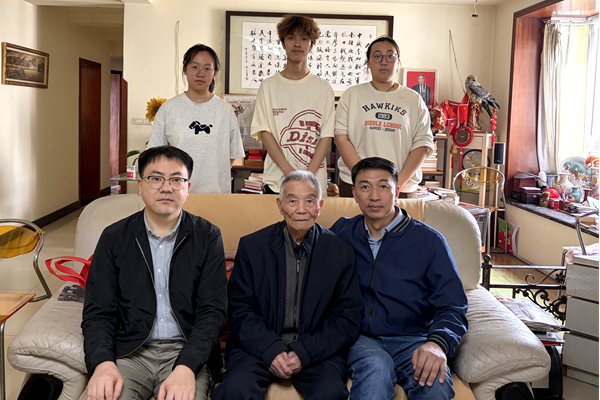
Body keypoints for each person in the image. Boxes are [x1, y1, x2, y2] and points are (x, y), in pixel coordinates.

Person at [82, 146, 228, 400]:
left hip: (185, 353)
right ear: (140, 185)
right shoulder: (114, 237)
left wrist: (187, 367)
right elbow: (98, 312)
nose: (166, 188)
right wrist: (103, 363)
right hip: (130, 353)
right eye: (156, 178)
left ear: (188, 187)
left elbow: (212, 312)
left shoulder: (207, 236)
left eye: (176, 180)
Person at [211, 171, 363, 400]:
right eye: (292, 201)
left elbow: (346, 318)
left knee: (330, 392)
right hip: (257, 347)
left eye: (309, 201)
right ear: (280, 205)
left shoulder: (340, 252)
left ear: (320, 206)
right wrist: (271, 351)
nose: (301, 209)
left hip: (316, 351)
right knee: (235, 389)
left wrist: (303, 353)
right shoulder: (252, 247)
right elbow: (239, 310)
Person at [330, 157, 468, 400]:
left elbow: (452, 305)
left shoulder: (429, 241)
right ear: (354, 194)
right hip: (359, 338)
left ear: (396, 192)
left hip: (413, 339)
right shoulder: (342, 232)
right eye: (365, 187)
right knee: (376, 369)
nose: (374, 196)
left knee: (435, 383)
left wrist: (437, 343)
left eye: (383, 186)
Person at [334, 36, 434, 198]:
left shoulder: (413, 99)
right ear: (368, 62)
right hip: (356, 185)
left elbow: (422, 143)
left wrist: (396, 184)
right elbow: (341, 137)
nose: (384, 61)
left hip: (402, 188)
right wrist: (363, 178)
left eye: (390, 55)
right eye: (377, 56)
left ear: (398, 62)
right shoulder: (352, 95)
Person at [251, 15, 335, 195]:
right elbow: (264, 132)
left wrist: (308, 176)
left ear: (311, 45)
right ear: (283, 43)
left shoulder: (324, 88)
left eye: (304, 38)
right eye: (291, 38)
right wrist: (289, 173)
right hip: (277, 181)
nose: (297, 44)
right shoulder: (268, 86)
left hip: (314, 182)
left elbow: (326, 136)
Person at [148, 44, 245, 194]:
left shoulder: (225, 111)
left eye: (207, 68)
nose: (201, 73)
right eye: (195, 67)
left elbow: (233, 155)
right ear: (184, 69)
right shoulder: (169, 109)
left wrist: (212, 178)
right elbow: (155, 155)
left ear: (214, 73)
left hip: (216, 195)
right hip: (177, 194)